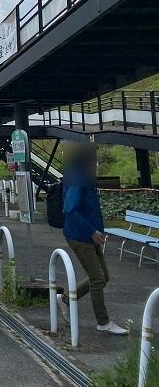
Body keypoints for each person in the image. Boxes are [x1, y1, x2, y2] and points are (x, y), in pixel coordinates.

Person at [58, 142, 128, 335]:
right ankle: (103, 321)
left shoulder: (82, 177)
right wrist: (91, 231)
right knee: (98, 278)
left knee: (103, 276)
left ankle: (65, 299)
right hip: (80, 236)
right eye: (94, 159)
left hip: (89, 235)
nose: (96, 163)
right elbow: (69, 210)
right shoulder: (79, 179)